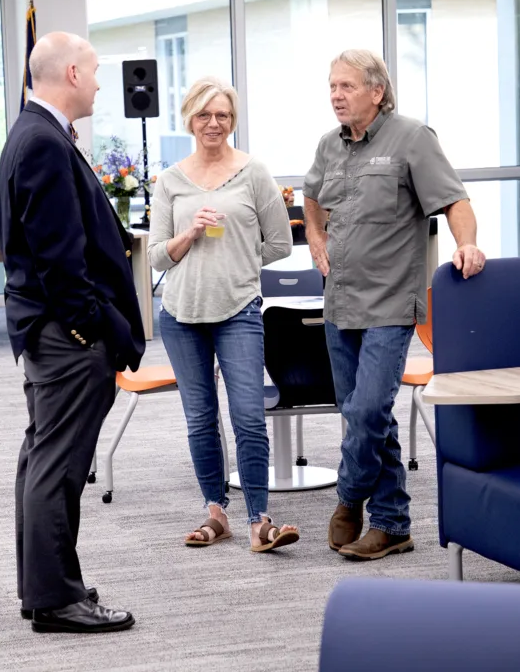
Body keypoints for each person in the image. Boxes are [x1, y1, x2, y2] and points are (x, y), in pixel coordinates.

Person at [303, 49, 486, 561]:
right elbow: (311, 195)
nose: (336, 95)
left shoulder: (412, 137)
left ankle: (347, 497)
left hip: (390, 301)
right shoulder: (328, 145)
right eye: (332, 87)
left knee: (367, 411)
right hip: (339, 300)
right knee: (363, 417)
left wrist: (466, 243)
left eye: (346, 86)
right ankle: (392, 525)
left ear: (376, 91)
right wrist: (315, 235)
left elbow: (455, 200)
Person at [0, 31, 144, 633]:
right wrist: (87, 330)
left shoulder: (37, 133)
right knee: (57, 466)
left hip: (50, 332)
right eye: (98, 71)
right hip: (65, 337)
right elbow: (61, 259)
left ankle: (47, 589)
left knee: (42, 460)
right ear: (74, 73)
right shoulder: (42, 142)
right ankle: (56, 599)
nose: (104, 83)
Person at [148, 76, 300, 553]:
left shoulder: (254, 173)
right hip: (181, 314)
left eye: (224, 115)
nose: (214, 123)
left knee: (250, 419)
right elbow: (156, 257)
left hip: (237, 310)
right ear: (190, 119)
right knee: (200, 419)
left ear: (232, 121)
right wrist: (189, 234)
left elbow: (280, 243)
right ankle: (216, 512)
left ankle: (260, 519)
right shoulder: (170, 180)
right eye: (205, 115)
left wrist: (237, 255)